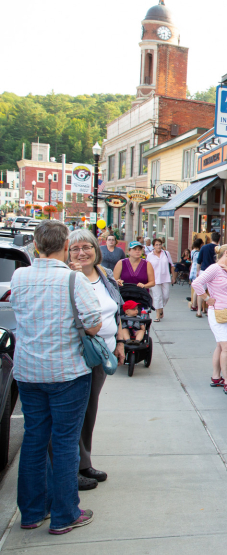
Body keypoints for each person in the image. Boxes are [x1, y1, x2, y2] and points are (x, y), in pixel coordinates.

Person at [11, 220, 102, 535]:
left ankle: (33, 513)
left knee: (34, 440)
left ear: (36, 246)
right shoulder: (72, 280)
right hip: (66, 372)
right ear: (66, 247)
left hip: (27, 371)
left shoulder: (19, 276)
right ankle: (66, 514)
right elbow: (92, 325)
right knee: (64, 443)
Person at [67, 229, 124, 489]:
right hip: (78, 354)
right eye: (75, 248)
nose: (82, 252)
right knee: (75, 412)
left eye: (86, 247)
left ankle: (84, 462)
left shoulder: (105, 274)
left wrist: (120, 342)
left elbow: (116, 311)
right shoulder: (68, 278)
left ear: (95, 249)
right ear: (67, 252)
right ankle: (71, 469)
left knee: (90, 410)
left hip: (103, 353)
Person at [192, 243, 227, 395]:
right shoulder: (214, 269)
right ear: (226, 253)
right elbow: (196, 283)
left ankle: (216, 377)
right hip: (218, 312)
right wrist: (207, 298)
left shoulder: (226, 270)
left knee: (222, 346)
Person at [146, 238, 174, 322]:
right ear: (153, 246)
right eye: (156, 245)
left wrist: (173, 277)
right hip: (154, 278)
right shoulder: (150, 255)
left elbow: (172, 265)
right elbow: (147, 267)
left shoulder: (166, 253)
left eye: (160, 244)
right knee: (157, 296)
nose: (158, 246)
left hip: (165, 277)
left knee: (166, 296)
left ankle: (161, 308)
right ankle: (157, 314)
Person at [197, 232, 220, 317]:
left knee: (201, 291)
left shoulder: (204, 247)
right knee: (212, 292)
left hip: (204, 271)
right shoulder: (219, 249)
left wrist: (197, 271)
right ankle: (209, 310)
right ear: (219, 239)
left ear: (211, 238)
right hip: (215, 272)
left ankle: (199, 311)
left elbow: (199, 261)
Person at [188, 237, 203, 315]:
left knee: (195, 288)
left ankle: (194, 304)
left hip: (193, 268)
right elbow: (199, 262)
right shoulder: (198, 253)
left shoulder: (193, 251)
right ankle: (194, 304)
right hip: (196, 269)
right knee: (197, 289)